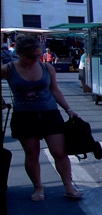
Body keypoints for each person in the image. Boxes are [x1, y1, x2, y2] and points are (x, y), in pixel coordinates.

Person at [0, 36, 83, 202]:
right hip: (24, 116)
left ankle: (68, 186)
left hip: (49, 114)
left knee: (59, 152)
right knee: (31, 154)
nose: (35, 59)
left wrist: (69, 109)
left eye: (38, 55)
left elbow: (55, 90)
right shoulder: (8, 69)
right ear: (19, 54)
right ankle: (38, 186)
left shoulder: (47, 68)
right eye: (31, 56)